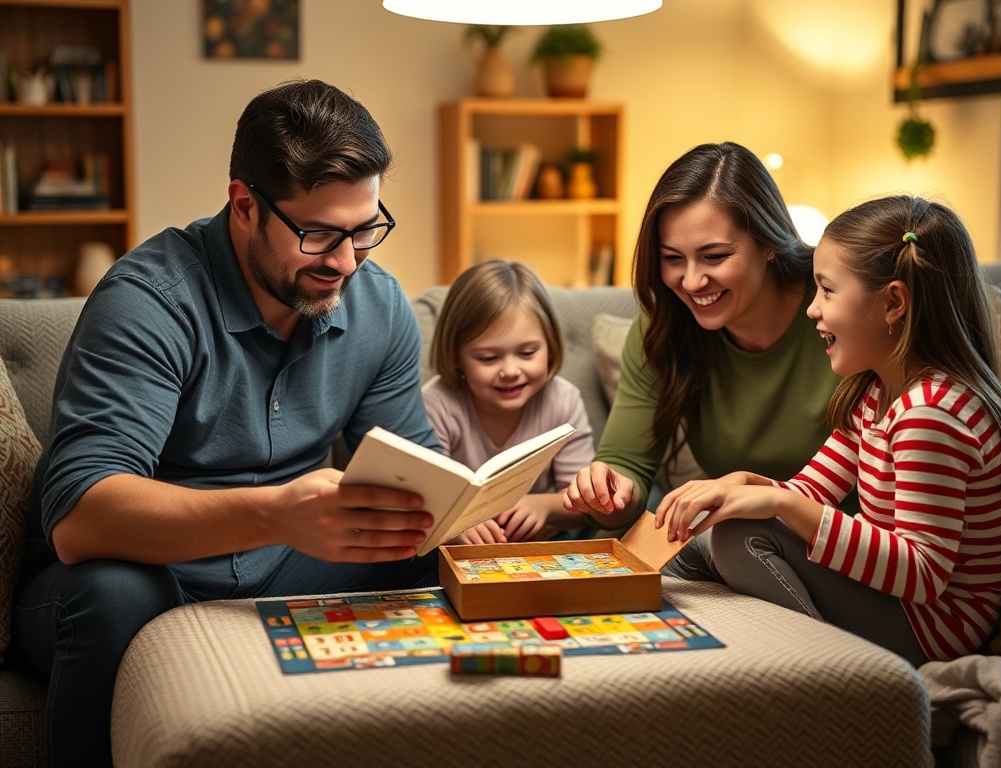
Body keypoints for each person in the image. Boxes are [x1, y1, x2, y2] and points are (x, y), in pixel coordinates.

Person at [13, 79, 442, 767]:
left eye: (364, 230)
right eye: (319, 234)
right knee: (116, 591)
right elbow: (82, 518)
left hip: (287, 564)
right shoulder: (150, 302)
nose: (346, 262)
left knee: (423, 550)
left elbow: (413, 465)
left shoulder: (379, 304)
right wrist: (277, 515)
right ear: (245, 205)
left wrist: (466, 509)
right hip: (138, 574)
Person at [654, 195, 1001, 664]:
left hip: (933, 628)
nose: (812, 309)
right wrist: (745, 484)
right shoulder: (876, 392)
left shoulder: (931, 415)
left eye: (827, 291)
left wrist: (778, 501)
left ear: (893, 303)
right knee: (714, 531)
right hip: (901, 605)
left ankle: (825, 672)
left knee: (737, 539)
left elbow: (923, 574)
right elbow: (812, 489)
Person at [562, 141, 849, 574]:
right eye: (672, 259)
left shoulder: (837, 305)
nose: (693, 281)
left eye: (715, 256)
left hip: (853, 545)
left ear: (768, 241)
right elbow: (626, 467)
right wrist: (607, 490)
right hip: (750, 548)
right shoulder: (663, 330)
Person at [423, 259, 595, 543]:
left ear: (549, 347)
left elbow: (584, 503)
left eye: (527, 353)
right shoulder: (437, 405)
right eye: (488, 358)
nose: (511, 371)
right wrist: (454, 524)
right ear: (456, 357)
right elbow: (425, 501)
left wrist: (543, 506)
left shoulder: (563, 400)